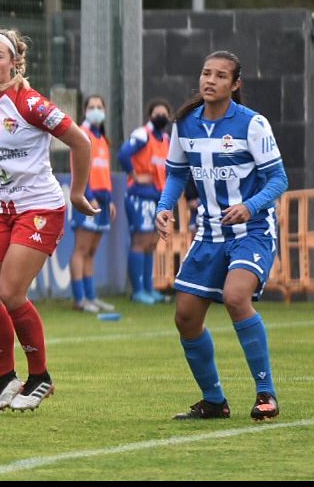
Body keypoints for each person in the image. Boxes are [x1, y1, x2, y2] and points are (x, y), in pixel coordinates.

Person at [0, 27, 98, 414]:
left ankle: (40, 377)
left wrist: (77, 192)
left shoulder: (31, 103)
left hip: (40, 208)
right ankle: (7, 379)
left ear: (15, 63)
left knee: (11, 292)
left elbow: (81, 142)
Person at [155, 50, 287, 422]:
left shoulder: (252, 124)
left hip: (253, 230)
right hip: (209, 232)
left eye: (220, 76)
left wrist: (251, 205)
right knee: (185, 317)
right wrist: (164, 208)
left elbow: (279, 178)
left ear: (235, 84)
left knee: (235, 296)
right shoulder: (184, 123)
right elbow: (177, 175)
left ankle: (266, 393)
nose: (209, 80)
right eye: (205, 73)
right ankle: (214, 401)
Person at [119, 97, 174, 304]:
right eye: (157, 113)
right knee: (140, 241)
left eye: (164, 113)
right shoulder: (142, 134)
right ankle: (138, 290)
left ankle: (149, 288)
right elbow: (124, 154)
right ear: (150, 115)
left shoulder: (166, 140)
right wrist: (134, 174)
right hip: (139, 195)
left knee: (151, 242)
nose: (161, 116)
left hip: (157, 197)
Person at [68, 94, 117, 313]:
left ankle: (91, 296)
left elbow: (103, 171)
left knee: (91, 251)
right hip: (88, 198)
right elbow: (78, 168)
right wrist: (86, 193)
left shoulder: (102, 138)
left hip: (103, 200)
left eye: (99, 106)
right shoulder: (82, 134)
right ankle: (80, 299)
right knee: (81, 249)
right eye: (91, 106)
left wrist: (111, 199)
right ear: (85, 110)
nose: (96, 109)